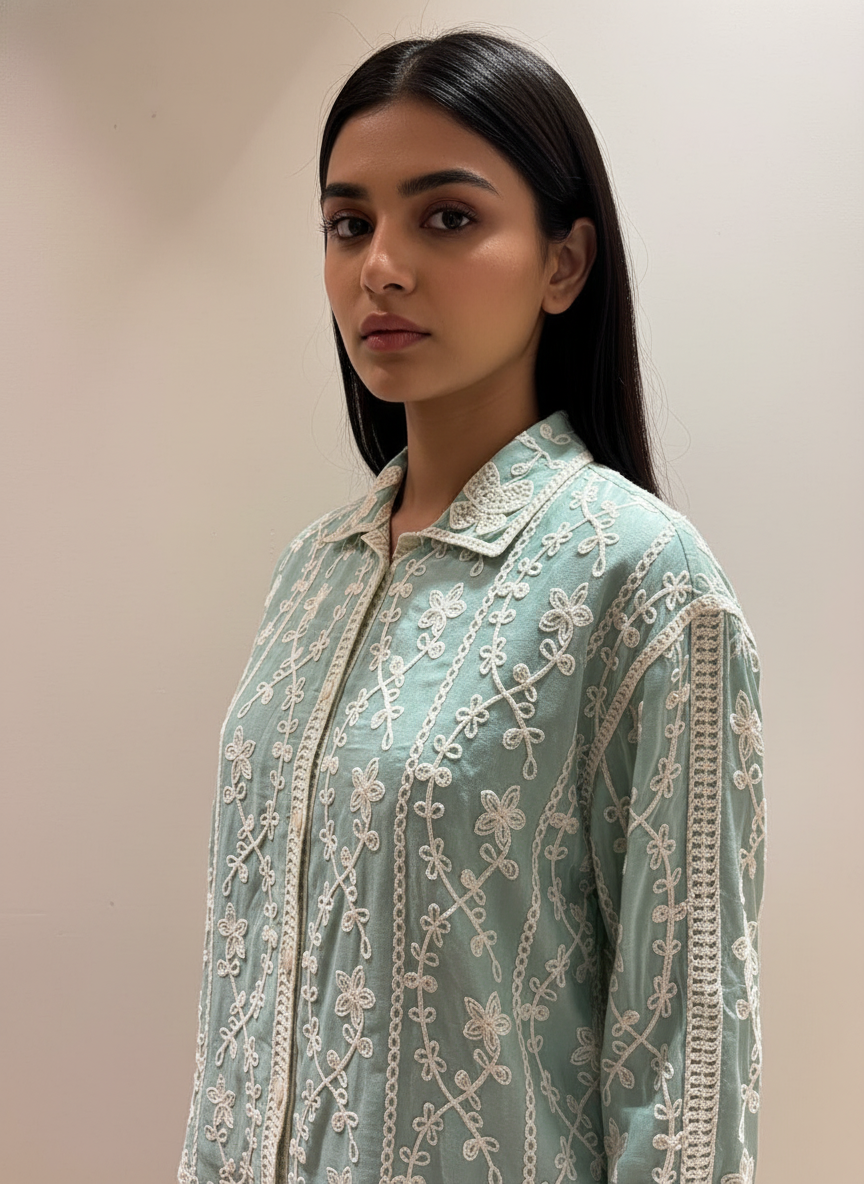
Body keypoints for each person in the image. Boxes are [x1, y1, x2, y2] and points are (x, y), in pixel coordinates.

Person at [179, 29, 764, 1184]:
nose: (381, 267)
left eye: (446, 217)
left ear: (565, 261)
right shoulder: (312, 571)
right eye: (349, 224)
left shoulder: (643, 581)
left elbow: (688, 1077)